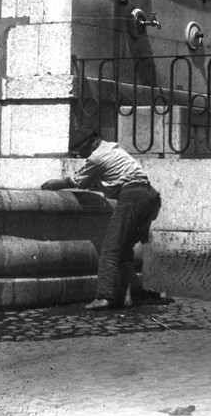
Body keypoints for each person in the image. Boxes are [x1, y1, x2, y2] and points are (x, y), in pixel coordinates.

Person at [42, 130, 162, 310]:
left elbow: (77, 181)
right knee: (125, 248)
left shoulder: (97, 157)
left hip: (133, 196)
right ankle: (126, 297)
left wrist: (55, 184)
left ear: (92, 142)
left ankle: (104, 296)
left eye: (78, 148)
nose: (77, 153)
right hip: (150, 197)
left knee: (110, 248)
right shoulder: (113, 148)